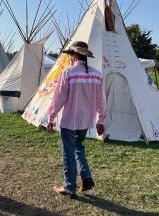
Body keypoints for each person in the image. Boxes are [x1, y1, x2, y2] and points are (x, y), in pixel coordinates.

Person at [47, 41, 106, 199]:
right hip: (86, 121)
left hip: (69, 121)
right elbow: (102, 101)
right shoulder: (97, 75)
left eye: (70, 55)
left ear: (75, 55)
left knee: (68, 152)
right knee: (78, 147)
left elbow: (58, 99)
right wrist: (100, 120)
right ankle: (86, 178)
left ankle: (69, 187)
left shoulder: (69, 73)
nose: (70, 58)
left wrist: (51, 118)